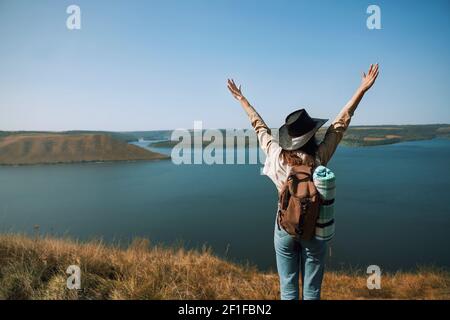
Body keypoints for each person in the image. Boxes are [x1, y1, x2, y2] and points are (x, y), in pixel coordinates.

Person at [227, 64, 379, 300]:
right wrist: (362, 89)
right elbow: (340, 125)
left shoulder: (276, 155)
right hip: (315, 230)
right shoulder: (318, 158)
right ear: (311, 135)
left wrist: (242, 99)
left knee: (288, 290)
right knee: (312, 291)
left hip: (285, 229)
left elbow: (259, 127)